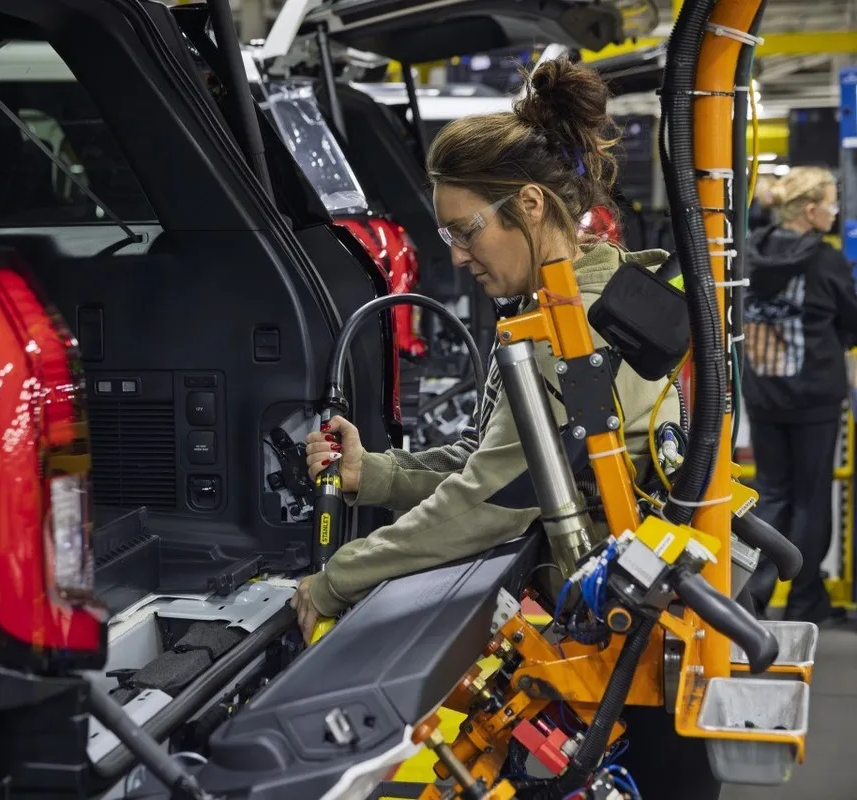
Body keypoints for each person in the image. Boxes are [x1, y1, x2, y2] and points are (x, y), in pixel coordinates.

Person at [290, 58, 717, 800]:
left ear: (527, 204)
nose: (456, 255)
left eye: (466, 231)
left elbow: (488, 500)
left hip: (625, 665)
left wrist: (334, 581)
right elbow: (503, 457)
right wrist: (378, 474)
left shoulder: (571, 338)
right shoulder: (584, 294)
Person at [743, 166, 857, 624]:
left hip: (763, 391)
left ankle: (753, 596)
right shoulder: (825, 260)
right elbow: (851, 322)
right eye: (831, 202)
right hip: (813, 396)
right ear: (810, 211)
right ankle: (808, 603)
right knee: (810, 501)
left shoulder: (751, 250)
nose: (835, 210)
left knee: (771, 495)